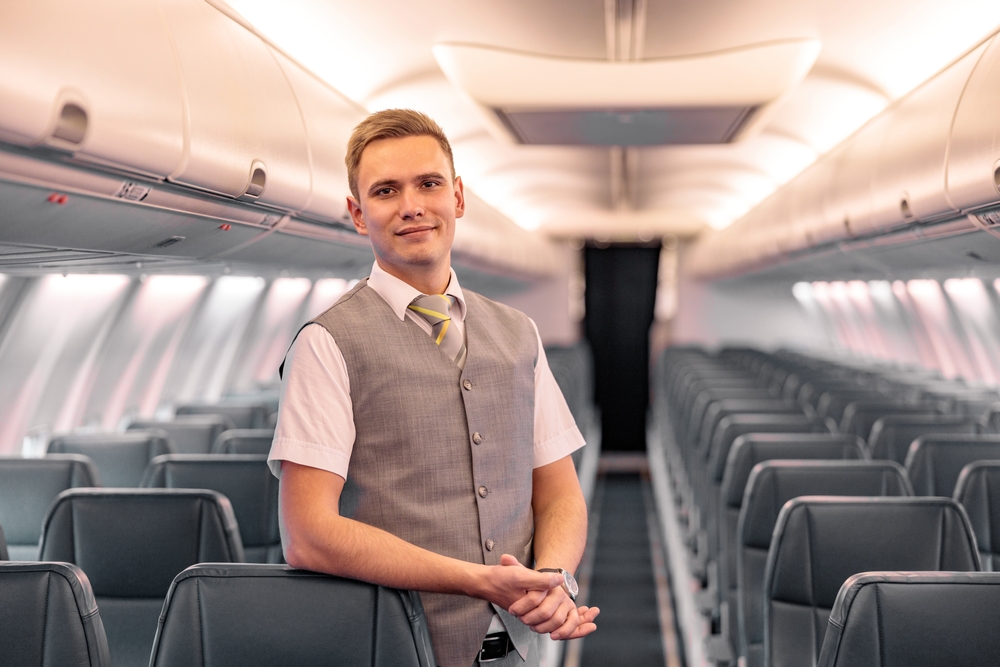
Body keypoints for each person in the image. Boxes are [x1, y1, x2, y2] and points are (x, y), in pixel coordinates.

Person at [268, 109, 598, 667]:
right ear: (357, 214)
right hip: (391, 648)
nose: (412, 205)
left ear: (458, 196)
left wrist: (553, 577)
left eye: (429, 183)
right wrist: (477, 581)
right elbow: (309, 535)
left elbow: (560, 492)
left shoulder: (520, 334)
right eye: (386, 190)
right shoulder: (327, 342)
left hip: (518, 652)